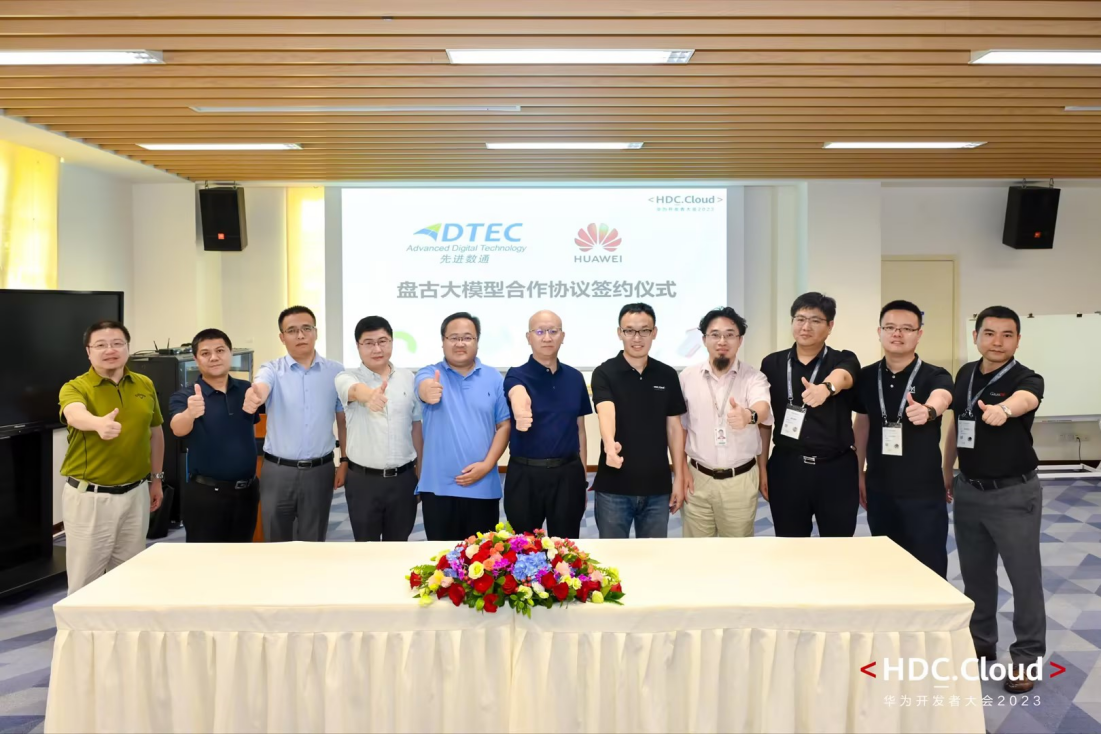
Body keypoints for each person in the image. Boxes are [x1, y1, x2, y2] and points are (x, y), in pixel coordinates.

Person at [943, 306, 1045, 693]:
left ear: (1018, 340)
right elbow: (958, 424)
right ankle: (981, 642)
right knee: (976, 575)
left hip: (1013, 494)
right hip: (969, 490)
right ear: (976, 337)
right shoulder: (966, 374)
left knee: (1024, 578)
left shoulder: (1026, 377)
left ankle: (1027, 659)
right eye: (989, 333)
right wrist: (946, 469)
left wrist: (1004, 409)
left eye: (1007, 335)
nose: (997, 342)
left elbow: (1026, 400)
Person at [58, 320, 164, 594]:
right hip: (91, 498)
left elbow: (155, 433)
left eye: (117, 343)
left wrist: (156, 479)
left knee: (130, 575)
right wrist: (97, 424)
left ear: (127, 347)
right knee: (85, 581)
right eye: (101, 345)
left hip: (136, 494)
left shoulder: (144, 383)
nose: (110, 350)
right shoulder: (76, 387)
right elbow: (74, 413)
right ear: (88, 351)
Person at [852, 301, 953, 576]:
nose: (897, 334)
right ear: (879, 332)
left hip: (923, 491)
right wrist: (858, 472)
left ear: (919, 334)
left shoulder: (935, 375)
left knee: (928, 566)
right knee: (887, 566)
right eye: (890, 327)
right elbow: (862, 423)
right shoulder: (866, 376)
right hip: (879, 487)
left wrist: (929, 410)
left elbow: (943, 396)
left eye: (907, 328)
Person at [759, 292, 861, 537]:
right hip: (787, 466)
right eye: (800, 319)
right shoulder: (772, 364)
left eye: (815, 320)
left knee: (838, 543)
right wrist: (762, 467)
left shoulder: (843, 359)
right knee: (790, 542)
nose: (806, 327)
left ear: (830, 326)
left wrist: (826, 388)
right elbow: (765, 421)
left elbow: (844, 377)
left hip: (835, 468)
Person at [242, 306, 347, 542]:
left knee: (314, 539)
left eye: (306, 328)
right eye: (292, 330)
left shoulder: (336, 371)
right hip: (278, 471)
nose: (300, 335)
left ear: (315, 332)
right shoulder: (271, 369)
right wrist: (256, 395)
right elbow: (261, 386)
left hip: (320, 470)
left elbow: (343, 421)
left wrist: (344, 460)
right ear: (282, 337)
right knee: (275, 538)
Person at [591, 303, 687, 539]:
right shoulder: (604, 372)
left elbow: (674, 429)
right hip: (614, 488)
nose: (637, 338)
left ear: (654, 333)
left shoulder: (667, 374)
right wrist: (609, 444)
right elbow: (606, 411)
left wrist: (679, 477)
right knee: (612, 557)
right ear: (619, 333)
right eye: (629, 331)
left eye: (644, 330)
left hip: (657, 488)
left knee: (655, 556)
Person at [415, 312, 510, 541]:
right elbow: (424, 387)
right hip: (438, 488)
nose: (460, 343)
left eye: (467, 337)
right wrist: (429, 390)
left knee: (483, 558)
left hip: (483, 486)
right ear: (443, 341)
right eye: (453, 337)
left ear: (477, 341)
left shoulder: (494, 378)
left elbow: (504, 425)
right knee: (441, 558)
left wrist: (487, 465)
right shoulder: (430, 373)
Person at [679, 307, 772, 538]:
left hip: (739, 481)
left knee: (737, 551)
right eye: (715, 334)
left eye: (730, 335)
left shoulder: (754, 377)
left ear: (740, 340)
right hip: (697, 478)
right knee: (696, 551)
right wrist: (681, 471)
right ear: (704, 340)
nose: (722, 341)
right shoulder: (687, 378)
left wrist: (749, 416)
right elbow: (680, 428)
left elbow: (762, 407)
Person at [503, 310, 592, 538]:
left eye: (553, 331)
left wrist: (581, 479)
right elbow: (516, 392)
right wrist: (521, 406)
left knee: (566, 546)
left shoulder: (575, 378)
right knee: (523, 547)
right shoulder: (516, 375)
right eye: (540, 332)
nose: (547, 337)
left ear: (562, 336)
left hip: (568, 475)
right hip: (525, 475)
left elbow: (580, 430)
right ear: (528, 337)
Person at [334, 316, 423, 542]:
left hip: (403, 479)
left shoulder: (407, 378)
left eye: (383, 341)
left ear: (391, 342)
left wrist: (421, 472)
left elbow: (415, 427)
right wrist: (370, 396)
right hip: (363, 481)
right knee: (366, 549)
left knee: (399, 545)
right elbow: (354, 390)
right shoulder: (346, 377)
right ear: (358, 346)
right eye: (369, 343)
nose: (377, 349)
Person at [168, 328, 260, 543]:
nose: (214, 357)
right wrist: (190, 413)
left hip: (247, 491)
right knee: (205, 558)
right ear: (195, 359)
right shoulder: (187, 395)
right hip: (206, 494)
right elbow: (177, 428)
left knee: (242, 554)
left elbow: (251, 429)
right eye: (205, 353)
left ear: (231, 353)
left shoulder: (246, 389)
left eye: (220, 350)